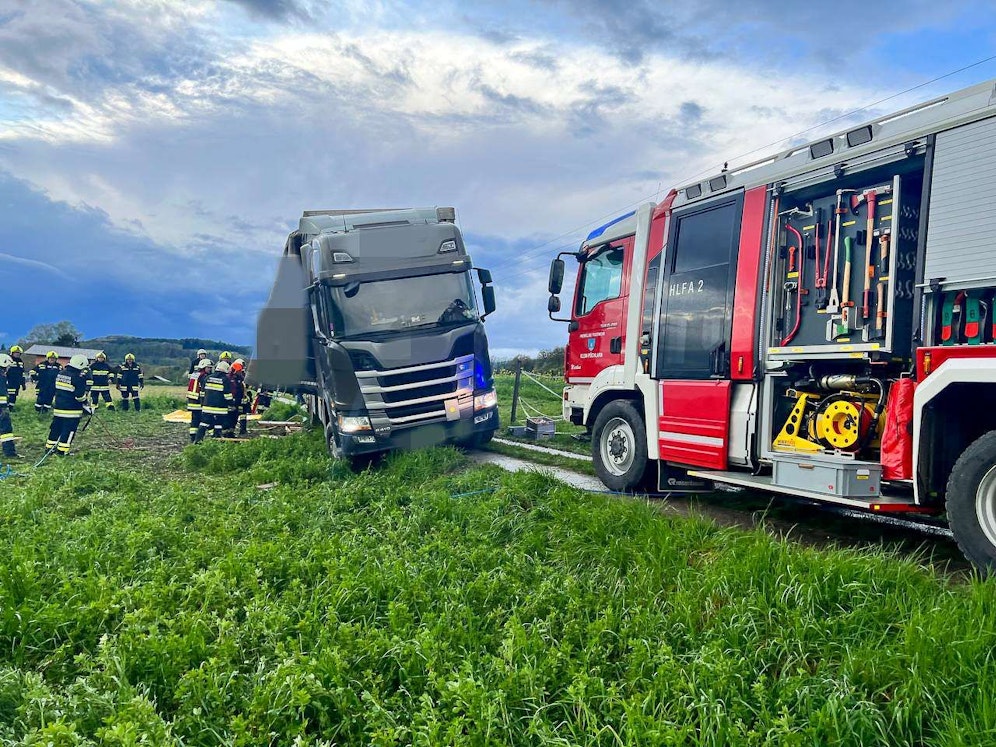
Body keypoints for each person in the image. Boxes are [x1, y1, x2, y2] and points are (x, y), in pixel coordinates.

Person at [45, 354, 90, 457]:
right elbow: (80, 397)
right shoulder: (78, 378)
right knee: (68, 431)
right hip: (72, 412)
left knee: (55, 429)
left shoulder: (61, 374)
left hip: (58, 409)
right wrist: (85, 403)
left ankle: (49, 449)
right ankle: (62, 451)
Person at [199, 360, 233, 440]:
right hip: (220, 408)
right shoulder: (225, 379)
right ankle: (217, 439)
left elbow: (202, 394)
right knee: (218, 424)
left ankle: (197, 441)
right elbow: (227, 395)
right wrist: (232, 404)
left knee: (204, 423)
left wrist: (202, 404)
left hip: (207, 407)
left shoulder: (207, 378)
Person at [186, 358, 212, 443]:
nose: (210, 369)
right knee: (204, 419)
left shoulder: (195, 374)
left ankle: (193, 437)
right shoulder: (203, 376)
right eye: (208, 367)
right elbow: (203, 390)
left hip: (192, 401)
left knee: (195, 420)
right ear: (204, 367)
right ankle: (212, 436)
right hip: (198, 402)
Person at [0, 354, 20, 459]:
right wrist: (4, 408)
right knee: (6, 430)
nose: (8, 368)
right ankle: (10, 453)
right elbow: (2, 395)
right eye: (8, 366)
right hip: (1, 408)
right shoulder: (1, 377)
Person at [225, 359, 247, 437]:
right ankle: (228, 433)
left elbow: (243, 389)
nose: (241, 372)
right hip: (231, 402)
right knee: (230, 417)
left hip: (239, 401)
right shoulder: (230, 379)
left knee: (235, 417)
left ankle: (232, 432)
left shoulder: (240, 378)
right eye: (239, 371)